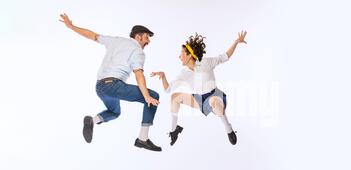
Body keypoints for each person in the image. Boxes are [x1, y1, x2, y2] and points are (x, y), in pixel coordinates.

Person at [59, 13, 162, 151]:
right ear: (138, 36)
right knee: (153, 97)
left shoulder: (116, 41)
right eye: (147, 37)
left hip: (100, 87)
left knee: (114, 112)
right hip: (114, 86)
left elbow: (92, 36)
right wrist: (147, 96)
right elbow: (139, 75)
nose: (148, 41)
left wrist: (71, 26)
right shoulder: (138, 51)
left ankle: (92, 121)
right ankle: (143, 139)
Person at [151, 31, 247, 146]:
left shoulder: (205, 62)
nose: (179, 57)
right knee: (174, 98)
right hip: (199, 100)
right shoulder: (184, 73)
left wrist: (236, 42)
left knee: (214, 102)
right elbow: (168, 89)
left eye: (182, 54)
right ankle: (173, 131)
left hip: (215, 96)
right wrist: (163, 77)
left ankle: (229, 129)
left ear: (189, 55)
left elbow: (225, 57)